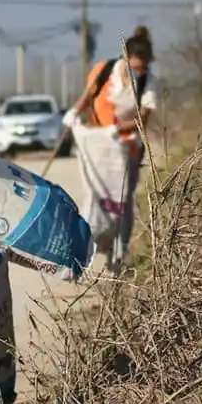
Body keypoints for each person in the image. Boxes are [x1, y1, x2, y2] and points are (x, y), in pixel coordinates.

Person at [61, 26, 158, 273]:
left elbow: (142, 118)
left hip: (126, 151)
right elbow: (87, 96)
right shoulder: (104, 70)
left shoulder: (148, 83)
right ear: (123, 58)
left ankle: (117, 254)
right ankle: (91, 246)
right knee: (97, 198)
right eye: (132, 67)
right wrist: (74, 113)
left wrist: (119, 128)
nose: (136, 72)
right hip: (97, 148)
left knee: (121, 203)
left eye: (141, 68)